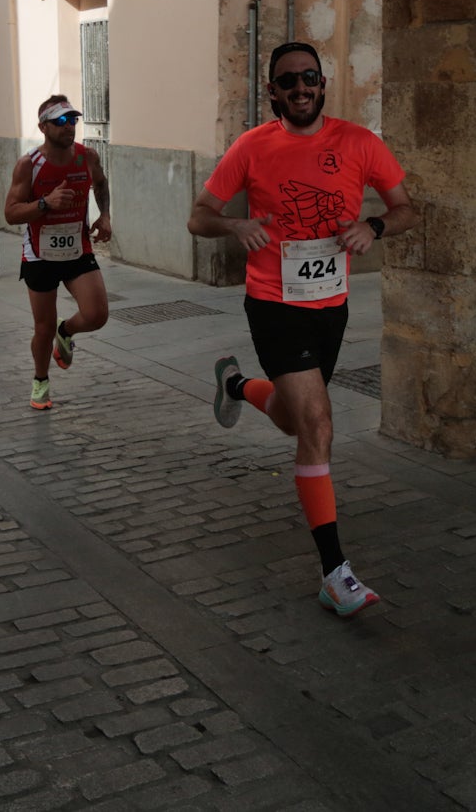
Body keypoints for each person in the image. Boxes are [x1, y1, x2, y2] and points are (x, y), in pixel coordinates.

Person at [187, 41, 419, 618]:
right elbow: (199, 216)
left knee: (295, 421)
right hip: (273, 303)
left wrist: (375, 225)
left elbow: (407, 207)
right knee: (318, 423)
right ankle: (335, 574)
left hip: (330, 305)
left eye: (309, 77)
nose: (300, 88)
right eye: (287, 80)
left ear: (322, 82)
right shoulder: (251, 147)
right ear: (272, 91)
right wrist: (235, 224)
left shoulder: (360, 143)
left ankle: (237, 387)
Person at [2, 96, 112, 411]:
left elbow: (101, 185)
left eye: (73, 120)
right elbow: (10, 213)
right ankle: (40, 381)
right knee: (43, 327)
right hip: (40, 253)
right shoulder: (29, 164)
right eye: (61, 121)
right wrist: (44, 204)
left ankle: (67, 331)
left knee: (97, 315)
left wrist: (104, 215)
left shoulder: (87, 156)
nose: (69, 127)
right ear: (43, 127)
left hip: (77, 247)